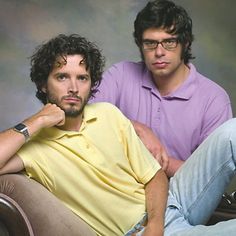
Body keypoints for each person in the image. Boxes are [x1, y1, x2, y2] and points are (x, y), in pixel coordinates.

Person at [0, 34, 236, 236]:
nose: (73, 87)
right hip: (141, 230)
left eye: (82, 78)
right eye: (62, 77)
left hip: (170, 203)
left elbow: (154, 177)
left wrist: (156, 223)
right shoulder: (35, 148)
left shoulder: (107, 113)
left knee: (231, 130)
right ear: (43, 84)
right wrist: (35, 121)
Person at [90, 0, 233, 177]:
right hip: (119, 187)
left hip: (179, 198)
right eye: (150, 43)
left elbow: (209, 177)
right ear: (140, 45)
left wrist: (147, 157)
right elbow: (85, 119)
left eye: (169, 42)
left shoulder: (214, 99)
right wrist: (137, 128)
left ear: (185, 43)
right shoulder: (121, 74)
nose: (159, 52)